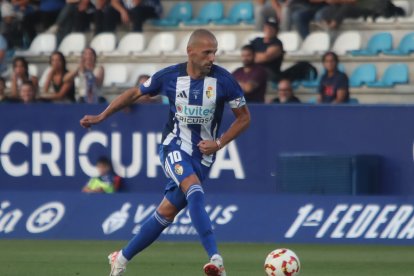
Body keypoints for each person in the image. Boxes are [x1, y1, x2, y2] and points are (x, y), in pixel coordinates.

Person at [80, 29, 250, 276]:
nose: (212, 58)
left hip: (203, 155)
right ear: (190, 52)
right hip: (173, 147)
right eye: (207, 52)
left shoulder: (224, 81)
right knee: (194, 191)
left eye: (214, 52)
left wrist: (220, 142)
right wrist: (101, 115)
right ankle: (216, 259)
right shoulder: (169, 77)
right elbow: (134, 93)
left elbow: (244, 118)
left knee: (166, 213)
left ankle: (121, 258)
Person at [250, 17, 284, 82]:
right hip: (255, 70)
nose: (269, 29)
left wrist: (252, 55)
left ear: (276, 30)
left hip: (270, 73)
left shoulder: (277, 43)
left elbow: (265, 57)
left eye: (272, 28)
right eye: (267, 27)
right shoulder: (257, 40)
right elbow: (246, 53)